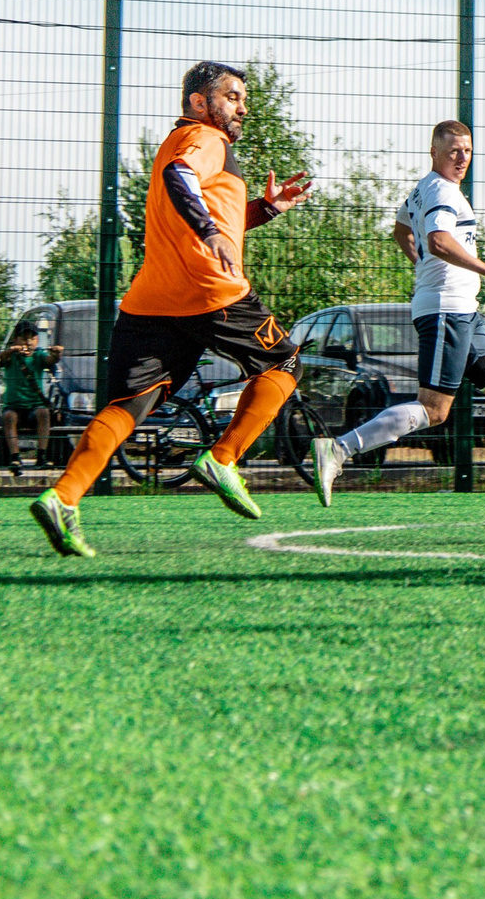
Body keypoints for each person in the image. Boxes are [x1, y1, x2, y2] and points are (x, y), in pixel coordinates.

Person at [27, 61, 314, 557]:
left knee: (128, 408)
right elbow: (183, 180)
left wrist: (266, 208)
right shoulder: (204, 140)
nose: (243, 106)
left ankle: (63, 496)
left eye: (243, 98)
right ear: (200, 103)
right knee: (285, 363)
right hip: (212, 291)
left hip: (152, 300)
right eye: (233, 96)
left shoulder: (181, 142)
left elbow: (204, 205)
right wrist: (209, 234)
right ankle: (223, 459)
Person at [306, 120, 485, 517]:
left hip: (462, 308)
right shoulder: (442, 191)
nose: (462, 157)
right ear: (435, 152)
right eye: (453, 151)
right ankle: (338, 449)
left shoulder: (424, 189)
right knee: (434, 409)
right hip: (447, 309)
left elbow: (401, 230)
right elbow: (439, 240)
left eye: (467, 150)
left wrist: (422, 265)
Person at [0, 321, 62, 473]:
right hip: (14, 406)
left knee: (44, 413)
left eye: (32, 338)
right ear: (15, 340)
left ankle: (41, 456)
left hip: (34, 406)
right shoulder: (10, 357)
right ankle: (15, 457)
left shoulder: (39, 355)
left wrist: (57, 354)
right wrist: (12, 351)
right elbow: (1, 357)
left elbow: (50, 360)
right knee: (8, 417)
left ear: (37, 340)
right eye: (23, 338)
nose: (28, 342)